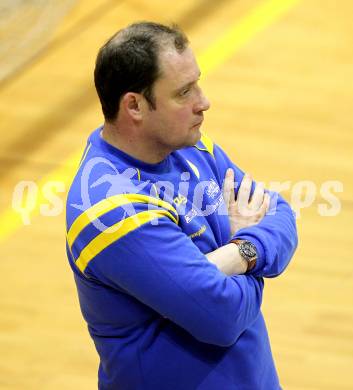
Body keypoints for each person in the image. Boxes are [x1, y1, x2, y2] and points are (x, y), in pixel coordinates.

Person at [66, 21, 298, 389]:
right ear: (135, 105)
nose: (203, 102)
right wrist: (254, 256)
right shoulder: (111, 210)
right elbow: (223, 318)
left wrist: (240, 253)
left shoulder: (191, 148)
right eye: (184, 92)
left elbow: (282, 213)